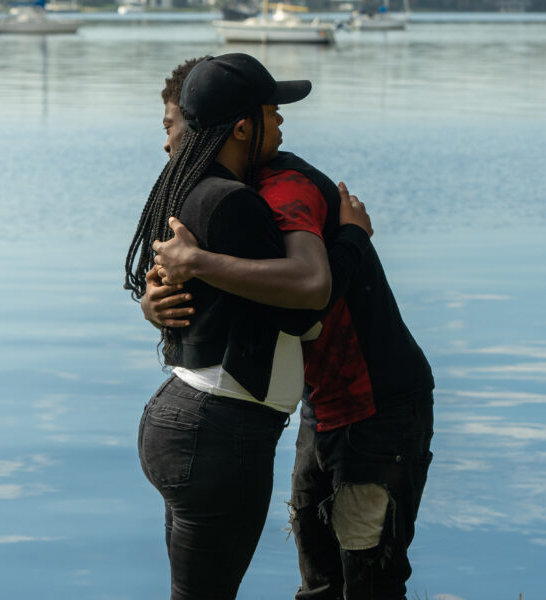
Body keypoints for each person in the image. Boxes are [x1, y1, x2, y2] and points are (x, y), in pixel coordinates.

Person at [143, 54, 434, 600]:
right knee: (318, 574)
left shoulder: (283, 188)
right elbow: (186, 275)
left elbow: (308, 290)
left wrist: (351, 239)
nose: (168, 141)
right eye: (272, 109)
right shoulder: (223, 188)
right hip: (322, 404)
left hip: (377, 404)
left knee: (368, 574)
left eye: (172, 125)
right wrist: (154, 299)